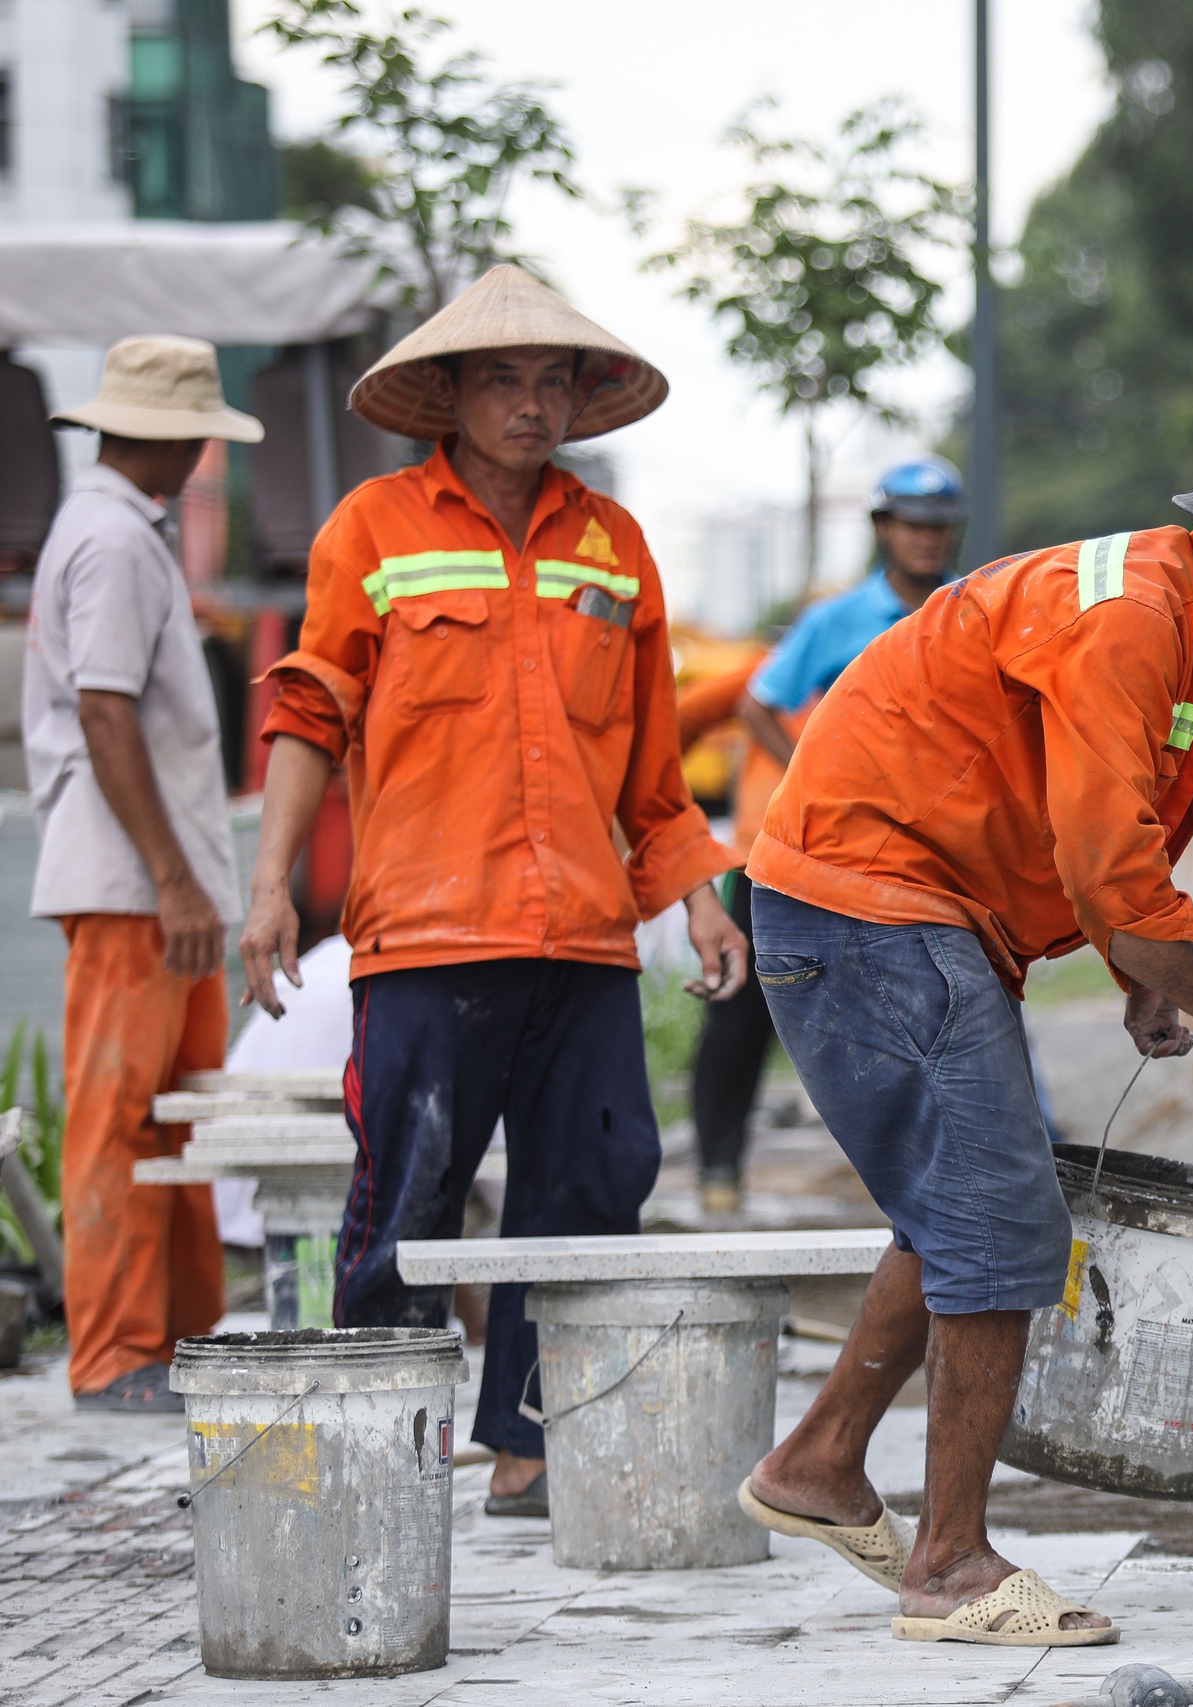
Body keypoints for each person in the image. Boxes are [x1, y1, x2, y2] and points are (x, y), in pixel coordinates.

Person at [735, 396, 1193, 1647]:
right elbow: (1112, 870)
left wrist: (1143, 972)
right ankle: (948, 1566)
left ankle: (822, 1461)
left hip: (912, 908)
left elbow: (1120, 844)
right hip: (874, 902)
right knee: (1002, 1217)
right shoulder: (1137, 619)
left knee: (960, 1203)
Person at [236, 265, 748, 1517]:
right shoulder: (373, 530)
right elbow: (309, 712)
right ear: (450, 397)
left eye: (552, 381)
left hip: (582, 936)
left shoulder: (613, 549)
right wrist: (268, 891)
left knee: (590, 1189)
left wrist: (699, 897)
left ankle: (529, 1447)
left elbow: (651, 765)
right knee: (405, 1191)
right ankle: (371, 1451)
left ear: (580, 396)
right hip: (424, 932)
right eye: (504, 381)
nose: (532, 405)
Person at [24, 336, 262, 1412]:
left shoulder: (124, 532)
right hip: (133, 884)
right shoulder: (114, 542)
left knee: (172, 1116)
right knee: (124, 1118)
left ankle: (172, 1342)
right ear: (175, 434)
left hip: (159, 882)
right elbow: (104, 707)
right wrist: (171, 877)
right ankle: (117, 1353)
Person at [687, 458, 965, 1215]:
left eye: (938, 525)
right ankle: (717, 1166)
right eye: (911, 522)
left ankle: (920, 1177)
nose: (926, 538)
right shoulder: (836, 622)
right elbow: (757, 703)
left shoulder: (962, 613)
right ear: (884, 529)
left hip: (906, 858)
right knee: (743, 1010)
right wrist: (814, 775)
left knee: (908, 1011)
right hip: (787, 850)